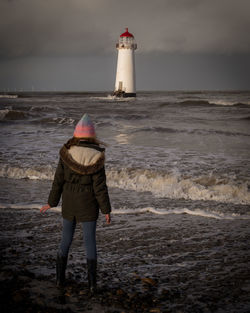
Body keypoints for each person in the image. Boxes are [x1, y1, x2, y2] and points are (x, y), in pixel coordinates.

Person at [40, 113, 111, 294]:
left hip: (69, 203)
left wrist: (51, 202)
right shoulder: (96, 157)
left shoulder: (67, 153)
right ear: (92, 135)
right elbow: (100, 188)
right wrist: (106, 210)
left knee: (65, 240)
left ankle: (59, 280)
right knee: (90, 242)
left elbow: (58, 181)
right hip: (89, 204)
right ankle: (93, 285)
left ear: (76, 135)